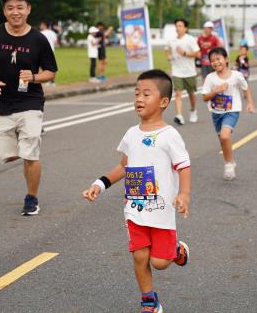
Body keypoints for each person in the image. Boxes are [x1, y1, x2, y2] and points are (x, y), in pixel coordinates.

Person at [82, 69, 191, 313]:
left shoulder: (169, 135)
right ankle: (149, 301)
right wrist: (100, 184)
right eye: (136, 93)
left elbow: (184, 166)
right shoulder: (132, 134)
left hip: (162, 212)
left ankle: (175, 250)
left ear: (163, 102)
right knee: (140, 256)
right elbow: (124, 166)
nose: (139, 99)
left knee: (160, 262)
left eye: (146, 94)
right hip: (135, 210)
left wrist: (184, 194)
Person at [0, 0, 57, 216]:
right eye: (10, 7)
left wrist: (34, 76)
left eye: (20, 7)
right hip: (1, 101)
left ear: (28, 9)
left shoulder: (39, 39)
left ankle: (31, 198)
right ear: (4, 11)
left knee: (30, 151)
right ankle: (20, 148)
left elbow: (51, 72)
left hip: (30, 101)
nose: (15, 12)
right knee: (4, 153)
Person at [202, 47, 255, 180]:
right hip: (216, 113)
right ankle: (230, 161)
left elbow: (245, 88)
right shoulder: (210, 78)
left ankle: (228, 165)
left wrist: (250, 103)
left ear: (226, 59)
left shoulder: (236, 75)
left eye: (218, 59)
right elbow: (205, 98)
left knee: (225, 137)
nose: (215, 62)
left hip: (232, 111)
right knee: (222, 140)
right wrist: (216, 90)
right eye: (212, 60)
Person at [166, 18, 201, 125]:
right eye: (176, 26)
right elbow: (167, 50)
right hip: (177, 72)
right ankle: (179, 116)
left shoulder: (190, 39)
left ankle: (193, 110)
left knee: (191, 94)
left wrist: (184, 53)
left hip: (189, 72)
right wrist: (169, 56)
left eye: (180, 26)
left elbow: (198, 54)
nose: (178, 28)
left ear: (185, 28)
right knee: (177, 94)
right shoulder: (171, 41)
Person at [39, 21, 57, 85]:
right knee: (51, 67)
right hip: (52, 51)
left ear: (44, 25)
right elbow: (56, 42)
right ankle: (52, 82)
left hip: (42, 52)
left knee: (41, 67)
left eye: (41, 25)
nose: (40, 26)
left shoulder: (41, 33)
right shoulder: (53, 33)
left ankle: (43, 81)